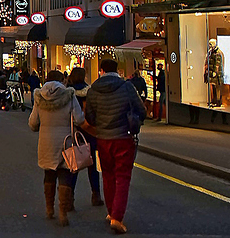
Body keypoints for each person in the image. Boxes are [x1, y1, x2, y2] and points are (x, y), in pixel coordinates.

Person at [85, 59, 146, 234]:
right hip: (123, 137)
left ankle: (111, 211)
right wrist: (137, 121)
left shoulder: (94, 90)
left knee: (108, 175)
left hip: (103, 138)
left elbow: (90, 117)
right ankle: (117, 217)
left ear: (102, 71)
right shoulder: (126, 87)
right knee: (123, 177)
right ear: (117, 70)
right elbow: (140, 109)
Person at [28, 70, 84, 227]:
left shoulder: (39, 97)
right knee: (65, 174)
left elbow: (33, 123)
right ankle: (63, 212)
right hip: (65, 140)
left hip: (46, 142)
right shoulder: (70, 96)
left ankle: (49, 209)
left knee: (49, 174)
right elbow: (79, 119)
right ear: (62, 80)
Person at [67, 67, 104, 208]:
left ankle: (69, 198)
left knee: (73, 166)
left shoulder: (68, 92)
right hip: (90, 131)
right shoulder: (89, 92)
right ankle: (96, 195)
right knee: (92, 164)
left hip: (74, 131)